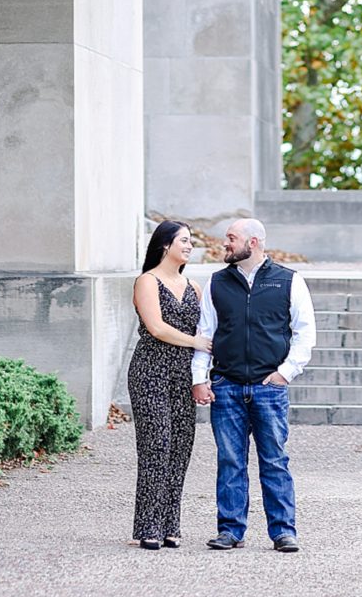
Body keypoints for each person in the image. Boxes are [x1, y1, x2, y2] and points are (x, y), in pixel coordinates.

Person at [191, 217, 316, 553]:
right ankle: (230, 530)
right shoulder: (217, 282)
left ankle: (283, 532)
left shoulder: (288, 281)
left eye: (231, 238)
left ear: (254, 242)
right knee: (230, 461)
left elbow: (305, 333)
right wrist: (199, 378)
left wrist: (285, 373)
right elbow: (206, 334)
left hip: (268, 388)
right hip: (226, 386)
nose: (225, 244)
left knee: (274, 460)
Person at [128, 220, 212, 550]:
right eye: (184, 241)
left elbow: (209, 328)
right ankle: (148, 525)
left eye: (191, 241)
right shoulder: (147, 281)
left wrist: (202, 374)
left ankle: (170, 525)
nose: (190, 246)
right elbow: (157, 327)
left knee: (180, 449)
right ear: (165, 244)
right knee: (156, 446)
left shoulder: (193, 287)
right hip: (150, 372)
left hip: (181, 375)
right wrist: (195, 341)